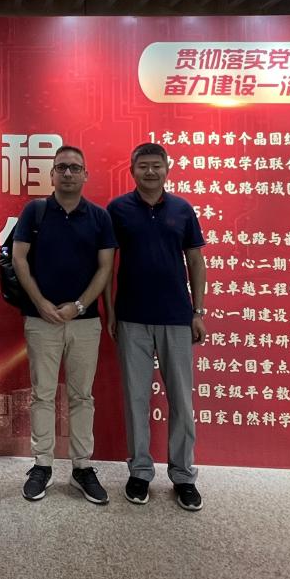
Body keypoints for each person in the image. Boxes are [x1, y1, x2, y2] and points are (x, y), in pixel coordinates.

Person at [11, 145, 117, 504]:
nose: (68, 173)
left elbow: (105, 267)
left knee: (81, 396)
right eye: (61, 168)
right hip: (41, 320)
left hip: (84, 322)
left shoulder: (99, 217)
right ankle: (41, 465)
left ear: (85, 174)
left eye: (75, 168)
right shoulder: (35, 211)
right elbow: (19, 258)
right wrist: (40, 302)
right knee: (42, 393)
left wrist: (79, 305)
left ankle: (82, 467)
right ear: (52, 175)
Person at [106, 142, 208, 511]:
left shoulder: (182, 209)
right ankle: (140, 471)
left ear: (167, 169)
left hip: (177, 318)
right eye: (143, 166)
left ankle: (183, 475)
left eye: (157, 166)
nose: (150, 172)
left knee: (181, 399)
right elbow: (107, 264)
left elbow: (195, 261)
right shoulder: (118, 209)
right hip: (131, 316)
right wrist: (110, 311)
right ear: (132, 170)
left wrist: (198, 311)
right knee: (136, 398)